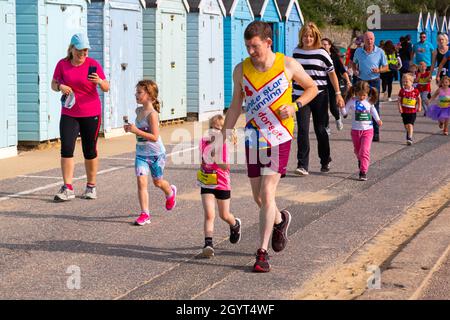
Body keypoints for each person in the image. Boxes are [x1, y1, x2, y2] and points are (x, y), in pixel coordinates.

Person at [222, 21, 318, 272]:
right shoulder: (241, 70)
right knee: (259, 197)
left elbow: (312, 87)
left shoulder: (286, 64)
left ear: (267, 42)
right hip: (253, 135)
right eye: (247, 47)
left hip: (279, 134)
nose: (250, 52)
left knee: (267, 193)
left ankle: (262, 253)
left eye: (254, 46)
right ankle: (280, 219)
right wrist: (224, 134)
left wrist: (295, 106)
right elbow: (235, 105)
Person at [51, 33, 110, 202]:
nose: (83, 54)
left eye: (85, 51)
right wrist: (61, 86)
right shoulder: (62, 64)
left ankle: (91, 186)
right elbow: (53, 84)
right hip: (69, 113)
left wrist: (99, 81)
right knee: (67, 148)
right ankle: (67, 187)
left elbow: (106, 87)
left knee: (89, 150)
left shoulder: (93, 64)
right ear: (71, 49)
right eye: (79, 50)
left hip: (91, 113)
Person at [293, 23, 345, 176]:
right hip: (300, 95)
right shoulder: (296, 52)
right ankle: (302, 165)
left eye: (311, 36)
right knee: (302, 129)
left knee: (320, 129)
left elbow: (332, 74)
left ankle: (325, 159)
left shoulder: (322, 53)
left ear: (315, 37)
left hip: (320, 96)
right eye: (305, 35)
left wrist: (337, 93)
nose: (307, 38)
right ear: (301, 36)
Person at [124, 80, 177, 225]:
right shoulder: (138, 111)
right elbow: (139, 133)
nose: (136, 94)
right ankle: (145, 214)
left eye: (140, 92)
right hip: (141, 154)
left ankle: (170, 192)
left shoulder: (152, 115)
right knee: (141, 183)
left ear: (149, 95)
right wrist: (130, 129)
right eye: (136, 92)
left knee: (158, 182)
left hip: (156, 154)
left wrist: (136, 130)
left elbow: (154, 137)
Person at [198, 115, 241, 258]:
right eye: (211, 128)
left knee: (224, 215)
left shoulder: (224, 146)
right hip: (207, 182)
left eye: (217, 130)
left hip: (222, 183)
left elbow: (225, 166)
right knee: (209, 214)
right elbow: (202, 161)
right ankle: (208, 243)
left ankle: (234, 224)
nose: (213, 132)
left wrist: (214, 156)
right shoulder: (203, 142)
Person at [341, 81, 382, 181]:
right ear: (355, 92)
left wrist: (377, 119)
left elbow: (373, 111)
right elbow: (345, 113)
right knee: (357, 150)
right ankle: (360, 159)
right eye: (359, 95)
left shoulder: (369, 101)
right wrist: (341, 106)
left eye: (364, 95)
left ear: (367, 94)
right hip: (355, 131)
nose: (362, 97)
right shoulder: (352, 101)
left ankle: (363, 172)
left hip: (368, 130)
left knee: (364, 151)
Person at [352, 31, 388, 142]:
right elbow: (353, 63)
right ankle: (362, 131)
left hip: (375, 81)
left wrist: (379, 70)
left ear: (374, 39)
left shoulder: (380, 52)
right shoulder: (358, 51)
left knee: (374, 106)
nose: (369, 41)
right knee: (361, 106)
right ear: (363, 40)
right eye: (367, 39)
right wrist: (355, 70)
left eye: (371, 39)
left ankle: (375, 133)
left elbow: (386, 67)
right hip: (362, 82)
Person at [322, 38, 352, 133]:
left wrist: (348, 81)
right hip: (322, 85)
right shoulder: (319, 57)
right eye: (321, 44)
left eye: (325, 44)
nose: (323, 46)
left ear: (330, 45)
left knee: (333, 108)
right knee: (323, 108)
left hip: (333, 86)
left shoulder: (334, 57)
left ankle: (338, 118)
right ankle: (326, 127)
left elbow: (342, 71)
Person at [398, 73, 422, 145]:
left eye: (406, 81)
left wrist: (419, 106)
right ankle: (408, 133)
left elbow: (419, 99)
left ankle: (410, 138)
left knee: (410, 124)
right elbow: (399, 101)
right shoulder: (402, 91)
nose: (405, 83)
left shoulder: (416, 91)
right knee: (406, 125)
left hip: (412, 111)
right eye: (403, 82)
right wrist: (400, 108)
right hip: (404, 111)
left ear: (411, 82)